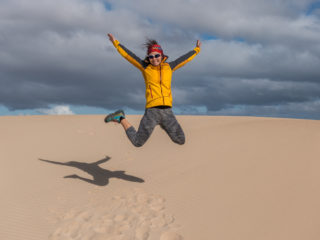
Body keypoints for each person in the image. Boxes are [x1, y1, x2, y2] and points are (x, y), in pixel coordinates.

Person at [105, 33, 201, 147]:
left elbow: (185, 59)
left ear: (161, 55)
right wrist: (115, 42)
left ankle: (164, 125)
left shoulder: (169, 67)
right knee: (137, 142)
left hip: (167, 112)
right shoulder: (145, 67)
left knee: (181, 140)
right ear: (148, 58)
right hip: (152, 112)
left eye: (156, 55)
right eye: (151, 56)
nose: (154, 58)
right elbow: (128, 55)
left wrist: (197, 49)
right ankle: (120, 118)